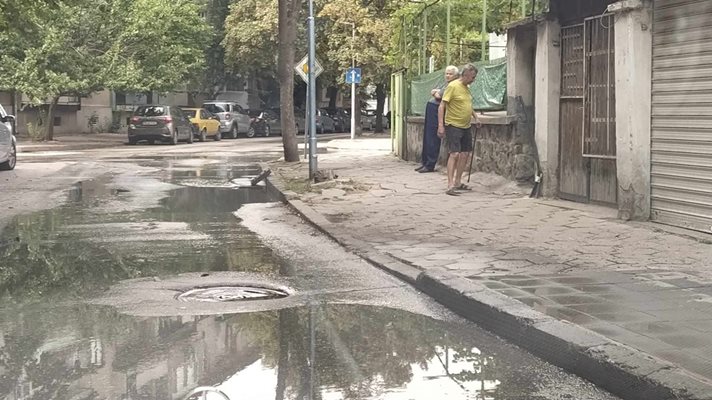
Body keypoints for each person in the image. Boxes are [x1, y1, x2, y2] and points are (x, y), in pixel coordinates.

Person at [437, 63, 480, 196]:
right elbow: (442, 106)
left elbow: (467, 104)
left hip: (466, 125)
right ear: (466, 75)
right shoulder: (453, 86)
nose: (474, 79)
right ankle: (450, 185)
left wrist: (476, 117)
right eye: (472, 77)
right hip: (453, 125)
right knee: (454, 154)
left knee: (465, 154)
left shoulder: (466, 88)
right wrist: (440, 125)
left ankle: (458, 182)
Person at [416, 66, 460, 173]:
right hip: (432, 110)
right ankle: (425, 162)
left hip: (437, 112)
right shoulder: (447, 84)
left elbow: (437, 95)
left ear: (456, 75)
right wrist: (436, 92)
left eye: (450, 74)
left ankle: (430, 164)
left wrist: (436, 92)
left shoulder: (453, 85)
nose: (447, 76)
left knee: (432, 138)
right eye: (446, 73)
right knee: (427, 136)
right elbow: (435, 92)